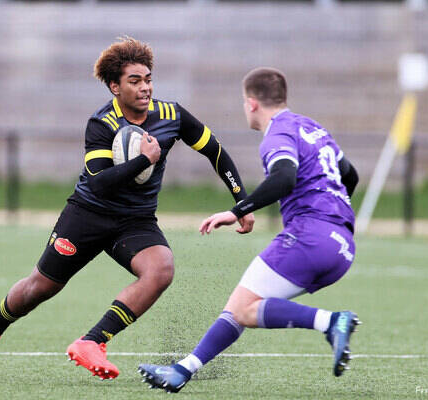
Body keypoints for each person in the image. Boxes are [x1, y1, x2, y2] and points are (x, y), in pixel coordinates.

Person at [0, 37, 254, 380]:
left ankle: (93, 342)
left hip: (135, 221)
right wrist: (144, 160)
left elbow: (215, 151)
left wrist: (242, 202)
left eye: (147, 79)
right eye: (134, 81)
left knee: (161, 270)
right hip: (87, 215)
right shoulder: (101, 124)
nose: (144, 87)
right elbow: (100, 181)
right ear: (115, 86)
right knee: (40, 287)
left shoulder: (172, 115)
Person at [138, 67, 361, 393]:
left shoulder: (278, 133)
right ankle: (182, 371)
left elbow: (284, 178)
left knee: (243, 307)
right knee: (242, 306)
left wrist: (236, 210)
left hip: (310, 237)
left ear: (252, 103)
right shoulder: (312, 127)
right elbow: (349, 175)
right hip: (341, 244)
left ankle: (330, 321)